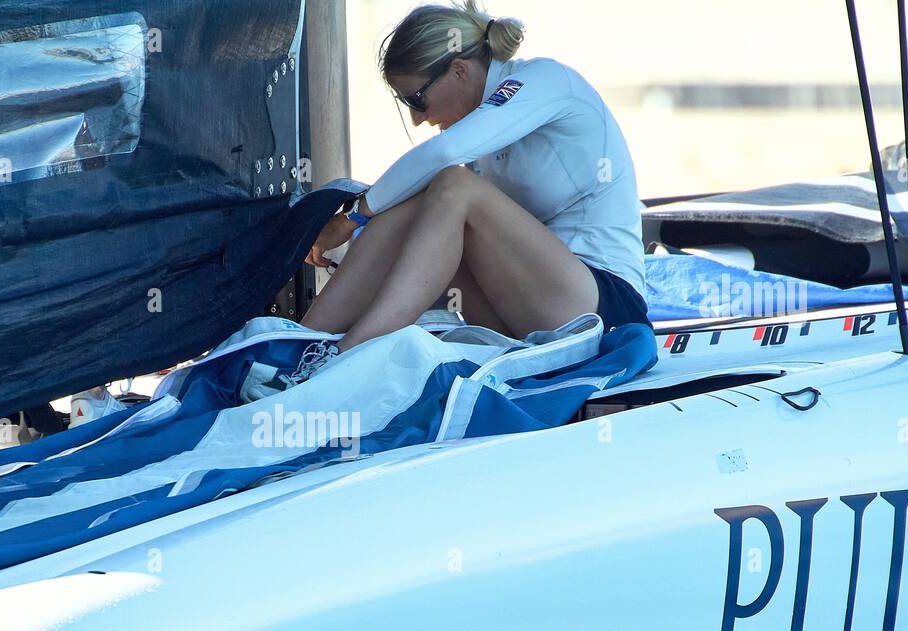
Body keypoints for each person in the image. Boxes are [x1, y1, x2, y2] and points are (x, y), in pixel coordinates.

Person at [275, 1, 648, 392]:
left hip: (605, 309)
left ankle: (344, 356)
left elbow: (443, 155)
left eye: (416, 100)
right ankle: (297, 346)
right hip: (531, 310)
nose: (418, 118)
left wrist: (351, 216)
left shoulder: (547, 81)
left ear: (459, 69)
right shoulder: (482, 126)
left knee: (451, 185)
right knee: (416, 204)